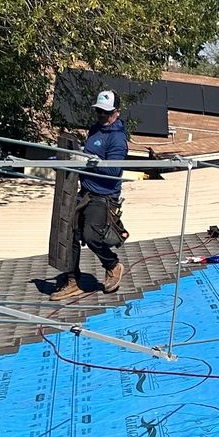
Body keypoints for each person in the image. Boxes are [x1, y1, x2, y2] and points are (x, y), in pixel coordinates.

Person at [50, 89, 131, 297]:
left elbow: (113, 170)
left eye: (106, 113)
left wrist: (87, 163)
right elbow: (85, 156)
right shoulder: (95, 129)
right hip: (86, 192)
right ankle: (73, 280)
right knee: (69, 233)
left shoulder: (118, 139)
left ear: (116, 112)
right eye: (99, 112)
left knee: (91, 235)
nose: (102, 116)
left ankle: (112, 265)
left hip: (104, 196)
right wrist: (63, 160)